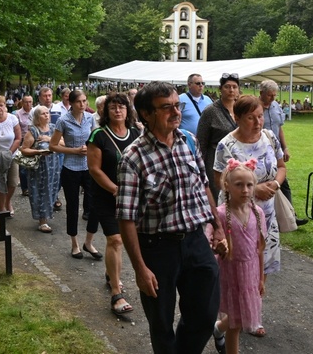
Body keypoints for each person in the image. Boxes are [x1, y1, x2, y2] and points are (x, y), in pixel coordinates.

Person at [117, 81, 227, 354]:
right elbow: (126, 218)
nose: (176, 112)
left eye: (178, 105)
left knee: (204, 314)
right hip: (157, 248)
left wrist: (218, 227)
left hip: (196, 241)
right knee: (161, 323)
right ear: (145, 113)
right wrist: (140, 269)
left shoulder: (189, 141)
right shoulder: (133, 157)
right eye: (167, 107)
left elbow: (203, 187)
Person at [213, 95, 286, 337]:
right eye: (251, 118)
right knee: (236, 265)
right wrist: (254, 190)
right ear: (237, 118)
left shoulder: (269, 136)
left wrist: (274, 184)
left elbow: (282, 166)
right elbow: (218, 179)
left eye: (260, 117)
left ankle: (253, 315)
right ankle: (230, 316)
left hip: (265, 212)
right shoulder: (226, 145)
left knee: (259, 260)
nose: (257, 122)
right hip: (237, 212)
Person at [87, 92, 140, 316]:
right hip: (106, 196)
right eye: (113, 107)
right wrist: (115, 189)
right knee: (115, 240)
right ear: (105, 112)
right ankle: (116, 293)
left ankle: (111, 274)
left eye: (122, 107)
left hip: (133, 196)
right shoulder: (98, 135)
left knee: (129, 240)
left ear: (128, 111)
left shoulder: (136, 133)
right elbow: (94, 169)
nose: (118, 111)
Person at [213, 158, 266, 354]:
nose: (245, 190)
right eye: (239, 185)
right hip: (230, 274)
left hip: (250, 274)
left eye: (249, 185)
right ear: (226, 186)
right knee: (236, 325)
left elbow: (260, 248)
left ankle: (218, 328)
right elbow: (210, 243)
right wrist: (218, 246)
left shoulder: (258, 213)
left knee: (240, 318)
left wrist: (261, 278)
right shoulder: (219, 214)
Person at [50, 89, 101, 259]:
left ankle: (89, 242)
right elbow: (53, 146)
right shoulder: (63, 121)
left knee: (94, 205)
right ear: (71, 103)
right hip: (70, 168)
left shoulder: (89, 118)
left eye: (85, 101)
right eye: (79, 101)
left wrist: (91, 149)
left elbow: (94, 139)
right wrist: (73, 150)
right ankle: (75, 243)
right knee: (72, 207)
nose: (82, 104)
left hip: (89, 167)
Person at [259, 80, 306, 226]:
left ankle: (290, 215)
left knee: (282, 182)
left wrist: (285, 148)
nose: (273, 98)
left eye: (274, 95)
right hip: (260, 151)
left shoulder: (276, 106)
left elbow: (279, 128)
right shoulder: (254, 108)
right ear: (261, 93)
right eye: (269, 95)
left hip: (276, 150)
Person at [197, 73, 240, 200]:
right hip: (216, 161)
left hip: (239, 159)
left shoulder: (241, 108)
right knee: (220, 197)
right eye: (227, 87)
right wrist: (201, 167)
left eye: (234, 87)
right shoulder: (210, 111)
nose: (231, 90)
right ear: (220, 89)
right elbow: (201, 142)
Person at [20, 105, 61, 232]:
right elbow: (24, 149)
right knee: (40, 191)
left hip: (53, 166)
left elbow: (64, 143)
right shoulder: (33, 131)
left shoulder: (54, 128)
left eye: (47, 113)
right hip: (39, 168)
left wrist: (48, 139)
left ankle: (47, 216)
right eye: (43, 114)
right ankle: (42, 220)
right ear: (37, 117)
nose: (47, 115)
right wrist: (38, 152)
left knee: (52, 190)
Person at [15, 94, 34, 197]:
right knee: (23, 166)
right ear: (22, 102)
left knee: (33, 164)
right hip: (22, 140)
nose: (28, 104)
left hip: (34, 140)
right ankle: (25, 188)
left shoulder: (35, 112)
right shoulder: (17, 114)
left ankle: (33, 186)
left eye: (30, 102)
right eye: (26, 102)